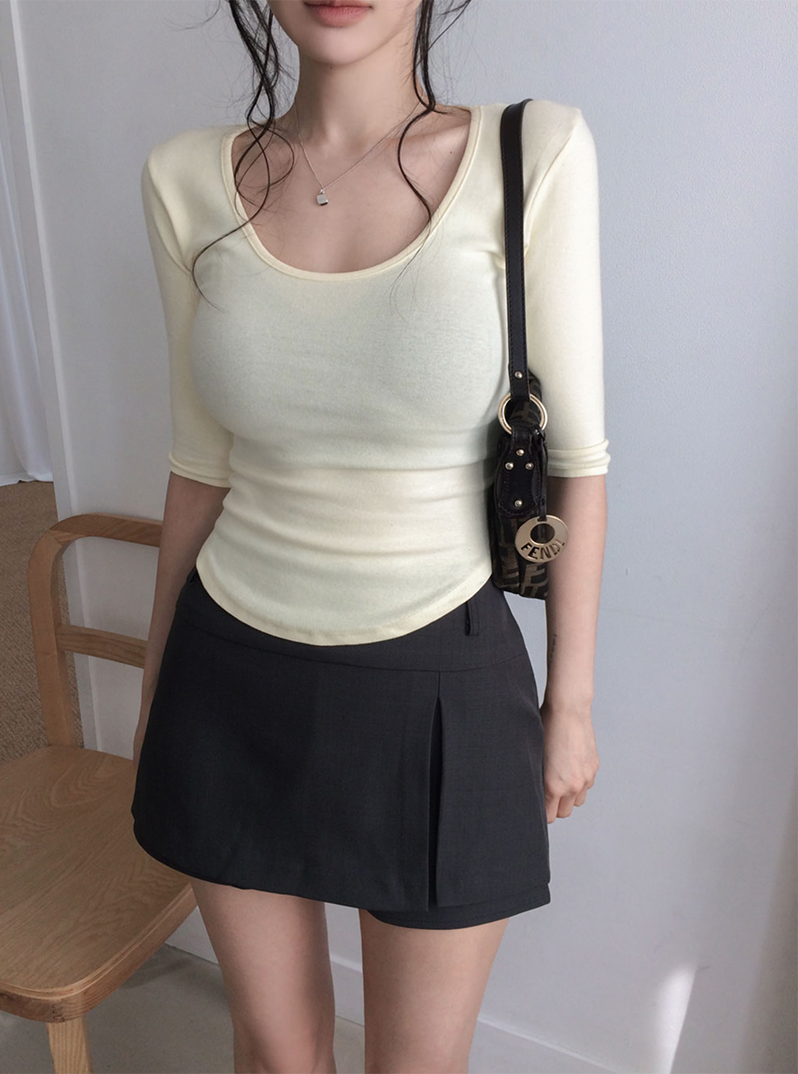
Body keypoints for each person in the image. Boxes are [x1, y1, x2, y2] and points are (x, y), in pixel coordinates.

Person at [130, 0, 609, 1071]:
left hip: (440, 679)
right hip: (226, 673)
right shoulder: (184, 177)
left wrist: (569, 704)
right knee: (276, 1052)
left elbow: (578, 463)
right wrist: (157, 692)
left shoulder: (530, 152)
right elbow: (199, 467)